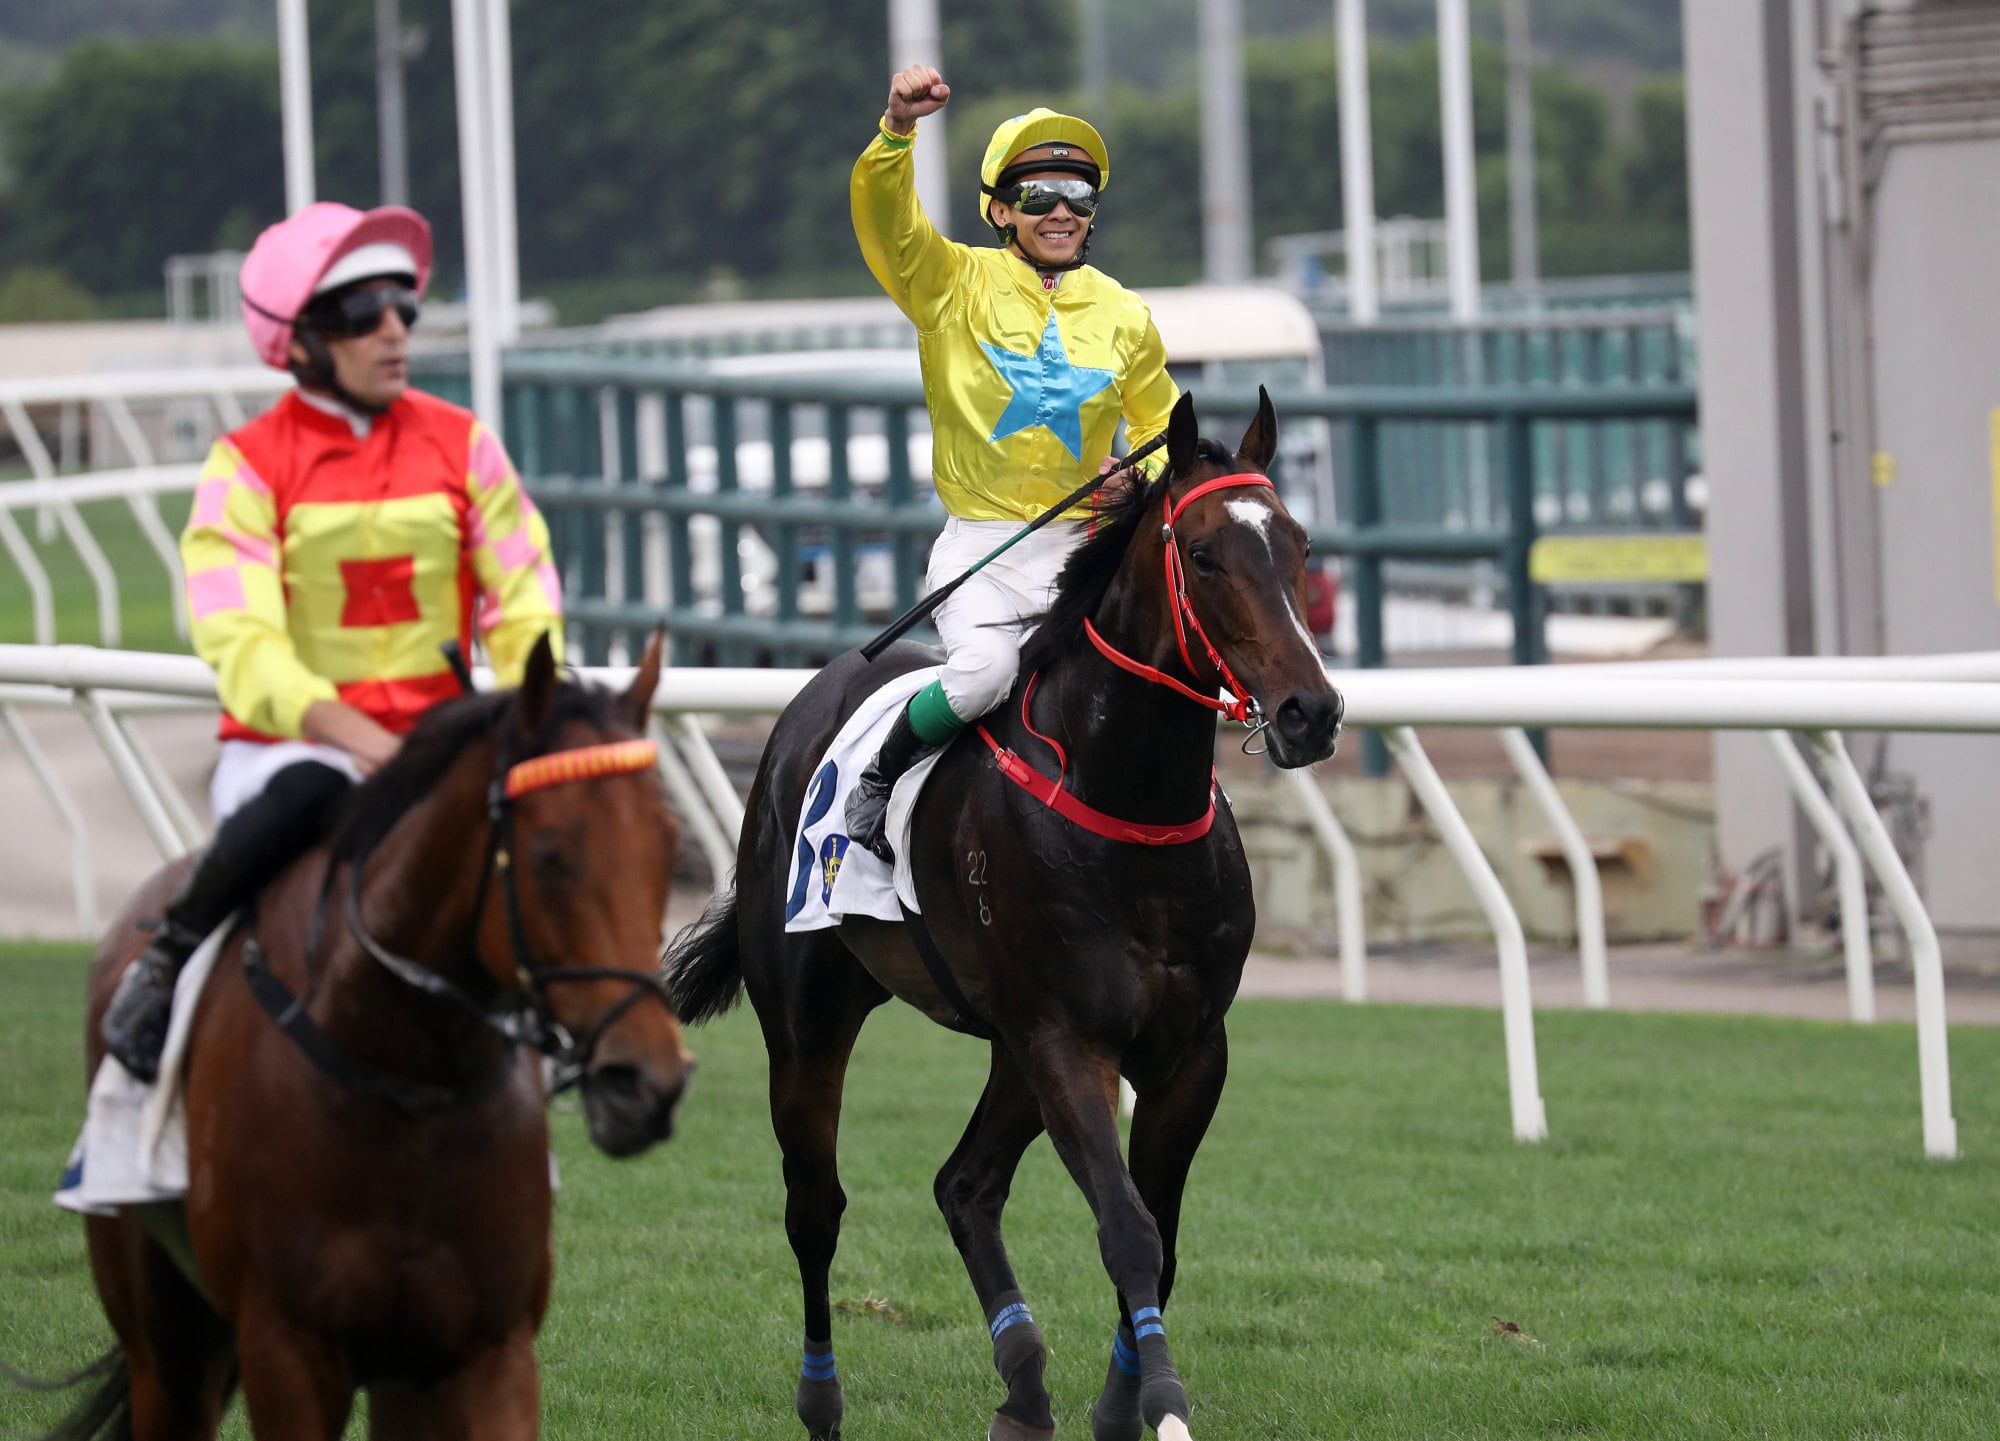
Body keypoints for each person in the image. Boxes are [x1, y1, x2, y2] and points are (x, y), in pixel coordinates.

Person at [100, 202, 564, 1082]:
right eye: (363, 315)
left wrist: (529, 706)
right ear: (303, 340)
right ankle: (165, 966)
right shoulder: (245, 464)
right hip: (294, 752)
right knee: (306, 789)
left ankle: (558, 1087)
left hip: (439, 748)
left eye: (403, 309)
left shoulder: (464, 442)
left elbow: (523, 595)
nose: (394, 331)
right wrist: (350, 734)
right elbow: (238, 638)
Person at [843, 64, 1180, 859]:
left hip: (1087, 554)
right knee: (984, 673)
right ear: (1001, 209)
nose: (1060, 211)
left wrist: (1144, 481)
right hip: (982, 552)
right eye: (1038, 195)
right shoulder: (948, 283)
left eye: (1079, 196)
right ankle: (880, 777)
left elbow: (1170, 434)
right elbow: (887, 222)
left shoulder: (1126, 315)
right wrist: (896, 129)